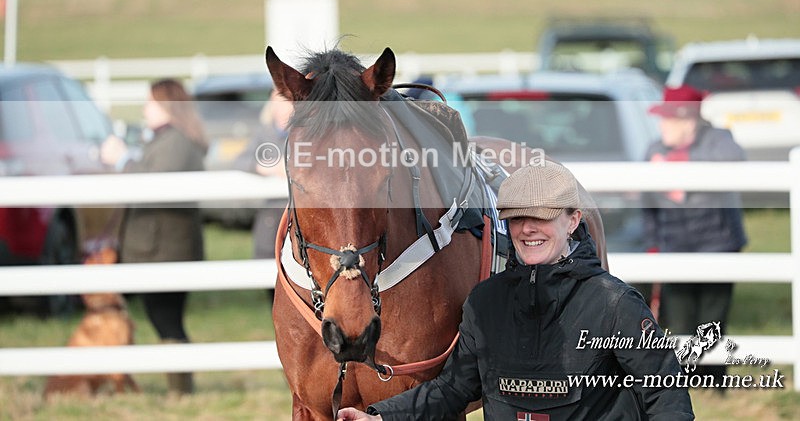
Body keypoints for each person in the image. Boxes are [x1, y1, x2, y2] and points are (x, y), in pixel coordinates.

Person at [338, 160, 694, 420]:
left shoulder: (616, 304)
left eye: (541, 217)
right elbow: (453, 390)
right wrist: (381, 417)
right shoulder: (485, 302)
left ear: (572, 220)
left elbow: (667, 396)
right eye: (518, 218)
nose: (527, 229)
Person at [100, 78, 207, 396]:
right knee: (161, 318)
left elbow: (154, 185)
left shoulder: (176, 142)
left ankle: (181, 390)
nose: (145, 110)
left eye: (150, 103)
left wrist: (122, 160)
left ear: (166, 105)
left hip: (165, 248)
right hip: (156, 246)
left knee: (166, 320)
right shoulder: (167, 139)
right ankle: (172, 387)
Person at [643, 84, 747, 385]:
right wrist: (652, 244)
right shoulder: (654, 150)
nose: (662, 126)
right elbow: (647, 206)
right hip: (674, 245)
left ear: (687, 121)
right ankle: (685, 385)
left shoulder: (718, 141)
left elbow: (735, 163)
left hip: (718, 244)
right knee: (679, 320)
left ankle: (714, 385)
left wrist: (676, 168)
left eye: (668, 119)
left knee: (713, 320)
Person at [234, 90, 292, 267]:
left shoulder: (305, 133)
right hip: (270, 216)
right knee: (266, 261)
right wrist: (266, 166)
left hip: (296, 212)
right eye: (278, 101)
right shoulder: (263, 133)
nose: (283, 108)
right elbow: (240, 161)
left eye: (287, 102)